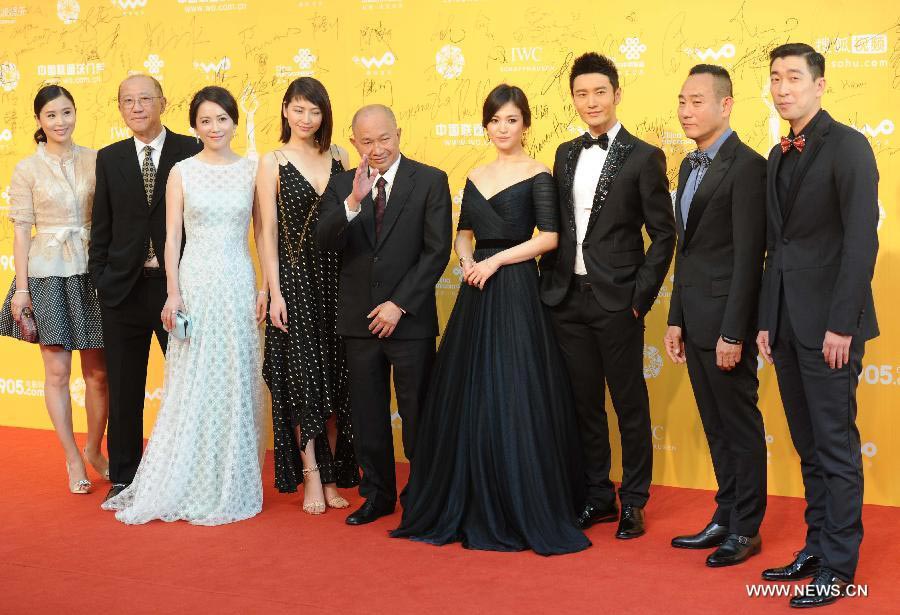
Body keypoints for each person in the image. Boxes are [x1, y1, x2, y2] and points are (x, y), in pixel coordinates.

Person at [391, 85, 590, 555]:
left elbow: (550, 238)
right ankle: (470, 492)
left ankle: (522, 497)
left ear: (526, 125)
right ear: (486, 126)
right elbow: (464, 233)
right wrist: (466, 260)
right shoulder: (476, 175)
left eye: (511, 121)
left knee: (514, 387)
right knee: (470, 391)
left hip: (516, 290)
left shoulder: (538, 172)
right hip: (477, 289)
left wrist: (496, 262)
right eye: (495, 121)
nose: (503, 129)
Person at [101, 86, 267, 525]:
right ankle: (185, 475)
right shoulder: (182, 171)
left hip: (236, 280)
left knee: (234, 377)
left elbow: (265, 235)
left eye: (222, 120)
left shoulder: (252, 171)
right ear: (194, 127)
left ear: (234, 123)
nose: (214, 128)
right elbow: (172, 238)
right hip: (195, 281)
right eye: (206, 121)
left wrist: (267, 286)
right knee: (192, 380)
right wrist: (174, 292)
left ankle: (227, 475)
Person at [756, 43, 879, 608]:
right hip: (785, 324)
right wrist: (765, 320)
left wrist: (841, 325)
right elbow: (775, 248)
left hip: (830, 328)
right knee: (807, 447)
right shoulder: (778, 153)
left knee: (834, 446)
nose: (784, 88)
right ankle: (815, 545)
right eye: (776, 78)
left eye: (794, 78)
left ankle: (839, 564)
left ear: (820, 84)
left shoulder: (849, 146)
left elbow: (860, 242)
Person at [540, 52, 675, 539]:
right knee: (583, 404)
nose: (590, 101)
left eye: (600, 92)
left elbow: (663, 235)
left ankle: (634, 500)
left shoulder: (644, 156)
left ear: (617, 94)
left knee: (628, 403)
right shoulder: (564, 153)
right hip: (566, 298)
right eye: (581, 93)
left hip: (618, 301)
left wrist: (640, 297)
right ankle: (598, 495)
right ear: (572, 99)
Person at [315, 104, 451, 526]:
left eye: (384, 139)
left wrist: (399, 304)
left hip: (408, 320)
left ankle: (423, 492)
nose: (377, 149)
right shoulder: (342, 185)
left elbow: (436, 252)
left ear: (399, 134)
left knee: (417, 412)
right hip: (358, 322)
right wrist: (353, 201)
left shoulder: (430, 180)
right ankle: (377, 494)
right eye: (367, 141)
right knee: (367, 414)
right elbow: (322, 242)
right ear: (355, 142)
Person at [663, 65, 767, 567]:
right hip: (695, 317)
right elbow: (688, 250)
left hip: (727, 324)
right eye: (682, 100)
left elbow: (750, 257)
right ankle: (725, 515)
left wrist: (733, 332)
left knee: (739, 426)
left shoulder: (748, 166)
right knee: (715, 425)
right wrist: (676, 317)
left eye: (697, 101)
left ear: (725, 105)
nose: (686, 110)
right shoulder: (687, 166)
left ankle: (746, 528)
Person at [88, 75, 202, 501]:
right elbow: (103, 226)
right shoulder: (110, 157)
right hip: (123, 290)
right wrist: (102, 278)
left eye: (145, 99)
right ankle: (124, 478)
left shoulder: (191, 151)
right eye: (127, 101)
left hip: (178, 290)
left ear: (163, 102)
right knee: (124, 388)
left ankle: (188, 474)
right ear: (120, 108)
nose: (136, 107)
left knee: (189, 385)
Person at [257, 77, 359, 514]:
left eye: (313, 111)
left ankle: (333, 471)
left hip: (339, 280)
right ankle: (311, 475)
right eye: (297, 109)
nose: (305, 118)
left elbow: (352, 219)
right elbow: (266, 231)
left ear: (324, 114)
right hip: (295, 283)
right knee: (304, 381)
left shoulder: (341, 156)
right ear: (284, 110)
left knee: (337, 380)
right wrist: (272, 291)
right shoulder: (272, 161)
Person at [0, 85, 108, 494]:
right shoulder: (27, 168)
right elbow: (21, 233)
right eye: (51, 115)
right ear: (39, 122)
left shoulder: (97, 160)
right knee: (58, 372)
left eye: (67, 112)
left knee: (99, 375)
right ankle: (71, 458)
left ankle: (95, 449)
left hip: (91, 272)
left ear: (76, 113)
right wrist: (21, 289)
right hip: (46, 275)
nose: (60, 122)